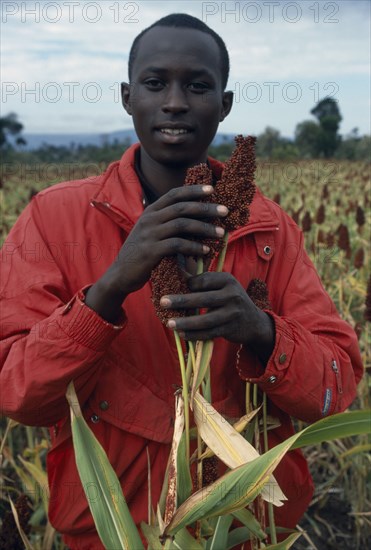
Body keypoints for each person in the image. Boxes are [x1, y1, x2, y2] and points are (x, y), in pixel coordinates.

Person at [0, 13, 363, 550]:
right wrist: (111, 287)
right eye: (154, 83)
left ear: (225, 104)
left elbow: (337, 389)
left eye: (197, 85)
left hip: (241, 527)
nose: (175, 101)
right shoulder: (55, 219)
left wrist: (261, 332)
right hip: (114, 526)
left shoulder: (270, 229)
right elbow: (18, 393)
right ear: (128, 96)